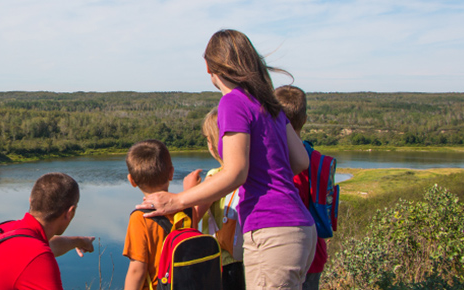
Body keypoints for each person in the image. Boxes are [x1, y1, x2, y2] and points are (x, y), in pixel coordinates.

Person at [138, 29, 315, 290]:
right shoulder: (269, 105)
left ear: (209, 66)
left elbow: (235, 173)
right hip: (302, 228)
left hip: (270, 229)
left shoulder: (233, 102)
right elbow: (301, 161)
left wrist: (177, 200)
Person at [0, 172, 96, 290]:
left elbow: (48, 246)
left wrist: (80, 241)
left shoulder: (4, 230)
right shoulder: (38, 259)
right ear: (70, 212)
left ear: (31, 201)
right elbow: (38, 253)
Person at [274, 85, 328, 290]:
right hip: (315, 253)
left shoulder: (277, 159)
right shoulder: (317, 160)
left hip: (285, 252)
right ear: (304, 120)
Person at [122, 139, 186, 290]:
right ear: (171, 173)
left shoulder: (140, 218)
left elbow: (137, 270)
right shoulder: (186, 209)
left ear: (132, 181)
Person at [198, 107, 246, 290]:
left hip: (220, 261)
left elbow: (194, 216)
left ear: (213, 144)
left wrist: (190, 191)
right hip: (245, 258)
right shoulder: (248, 174)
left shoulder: (215, 177)